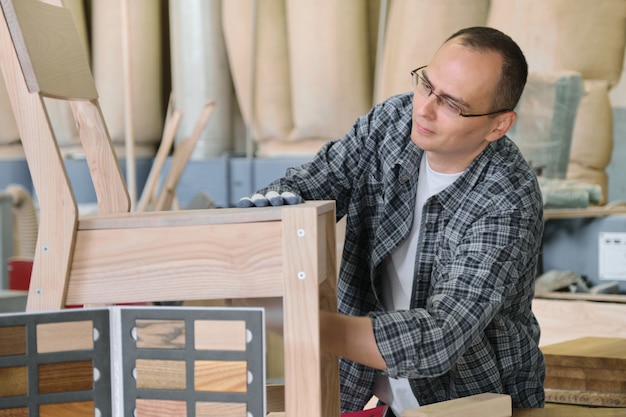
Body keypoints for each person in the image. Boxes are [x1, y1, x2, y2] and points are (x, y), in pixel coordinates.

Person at [239, 26, 545, 415]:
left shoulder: (507, 197)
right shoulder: (394, 123)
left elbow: (440, 336)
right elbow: (315, 180)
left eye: (452, 104)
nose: (425, 109)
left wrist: (300, 323)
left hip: (474, 402)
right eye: (426, 84)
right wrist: (271, 210)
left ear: (498, 125)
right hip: (382, 396)